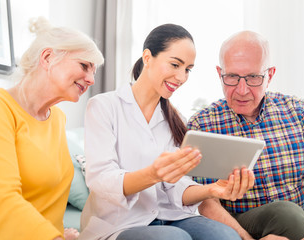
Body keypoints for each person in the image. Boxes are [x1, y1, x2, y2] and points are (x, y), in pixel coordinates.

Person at [78, 23, 255, 240]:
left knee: (225, 237)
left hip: (171, 216)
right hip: (120, 223)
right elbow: (101, 179)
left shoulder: (176, 119)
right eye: (174, 64)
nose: (181, 77)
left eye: (187, 69)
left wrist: (212, 189)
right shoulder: (103, 107)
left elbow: (176, 188)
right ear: (147, 57)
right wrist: (152, 174)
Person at [187, 30, 304, 240]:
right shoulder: (202, 124)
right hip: (245, 222)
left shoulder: (298, 111)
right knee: (286, 215)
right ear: (219, 73)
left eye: (253, 77)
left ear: (269, 75)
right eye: (232, 77)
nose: (242, 90)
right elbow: (206, 203)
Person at [0, 17, 104, 240]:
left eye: (94, 71)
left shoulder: (57, 118)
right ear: (47, 58)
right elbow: (0, 201)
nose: (91, 79)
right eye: (84, 66)